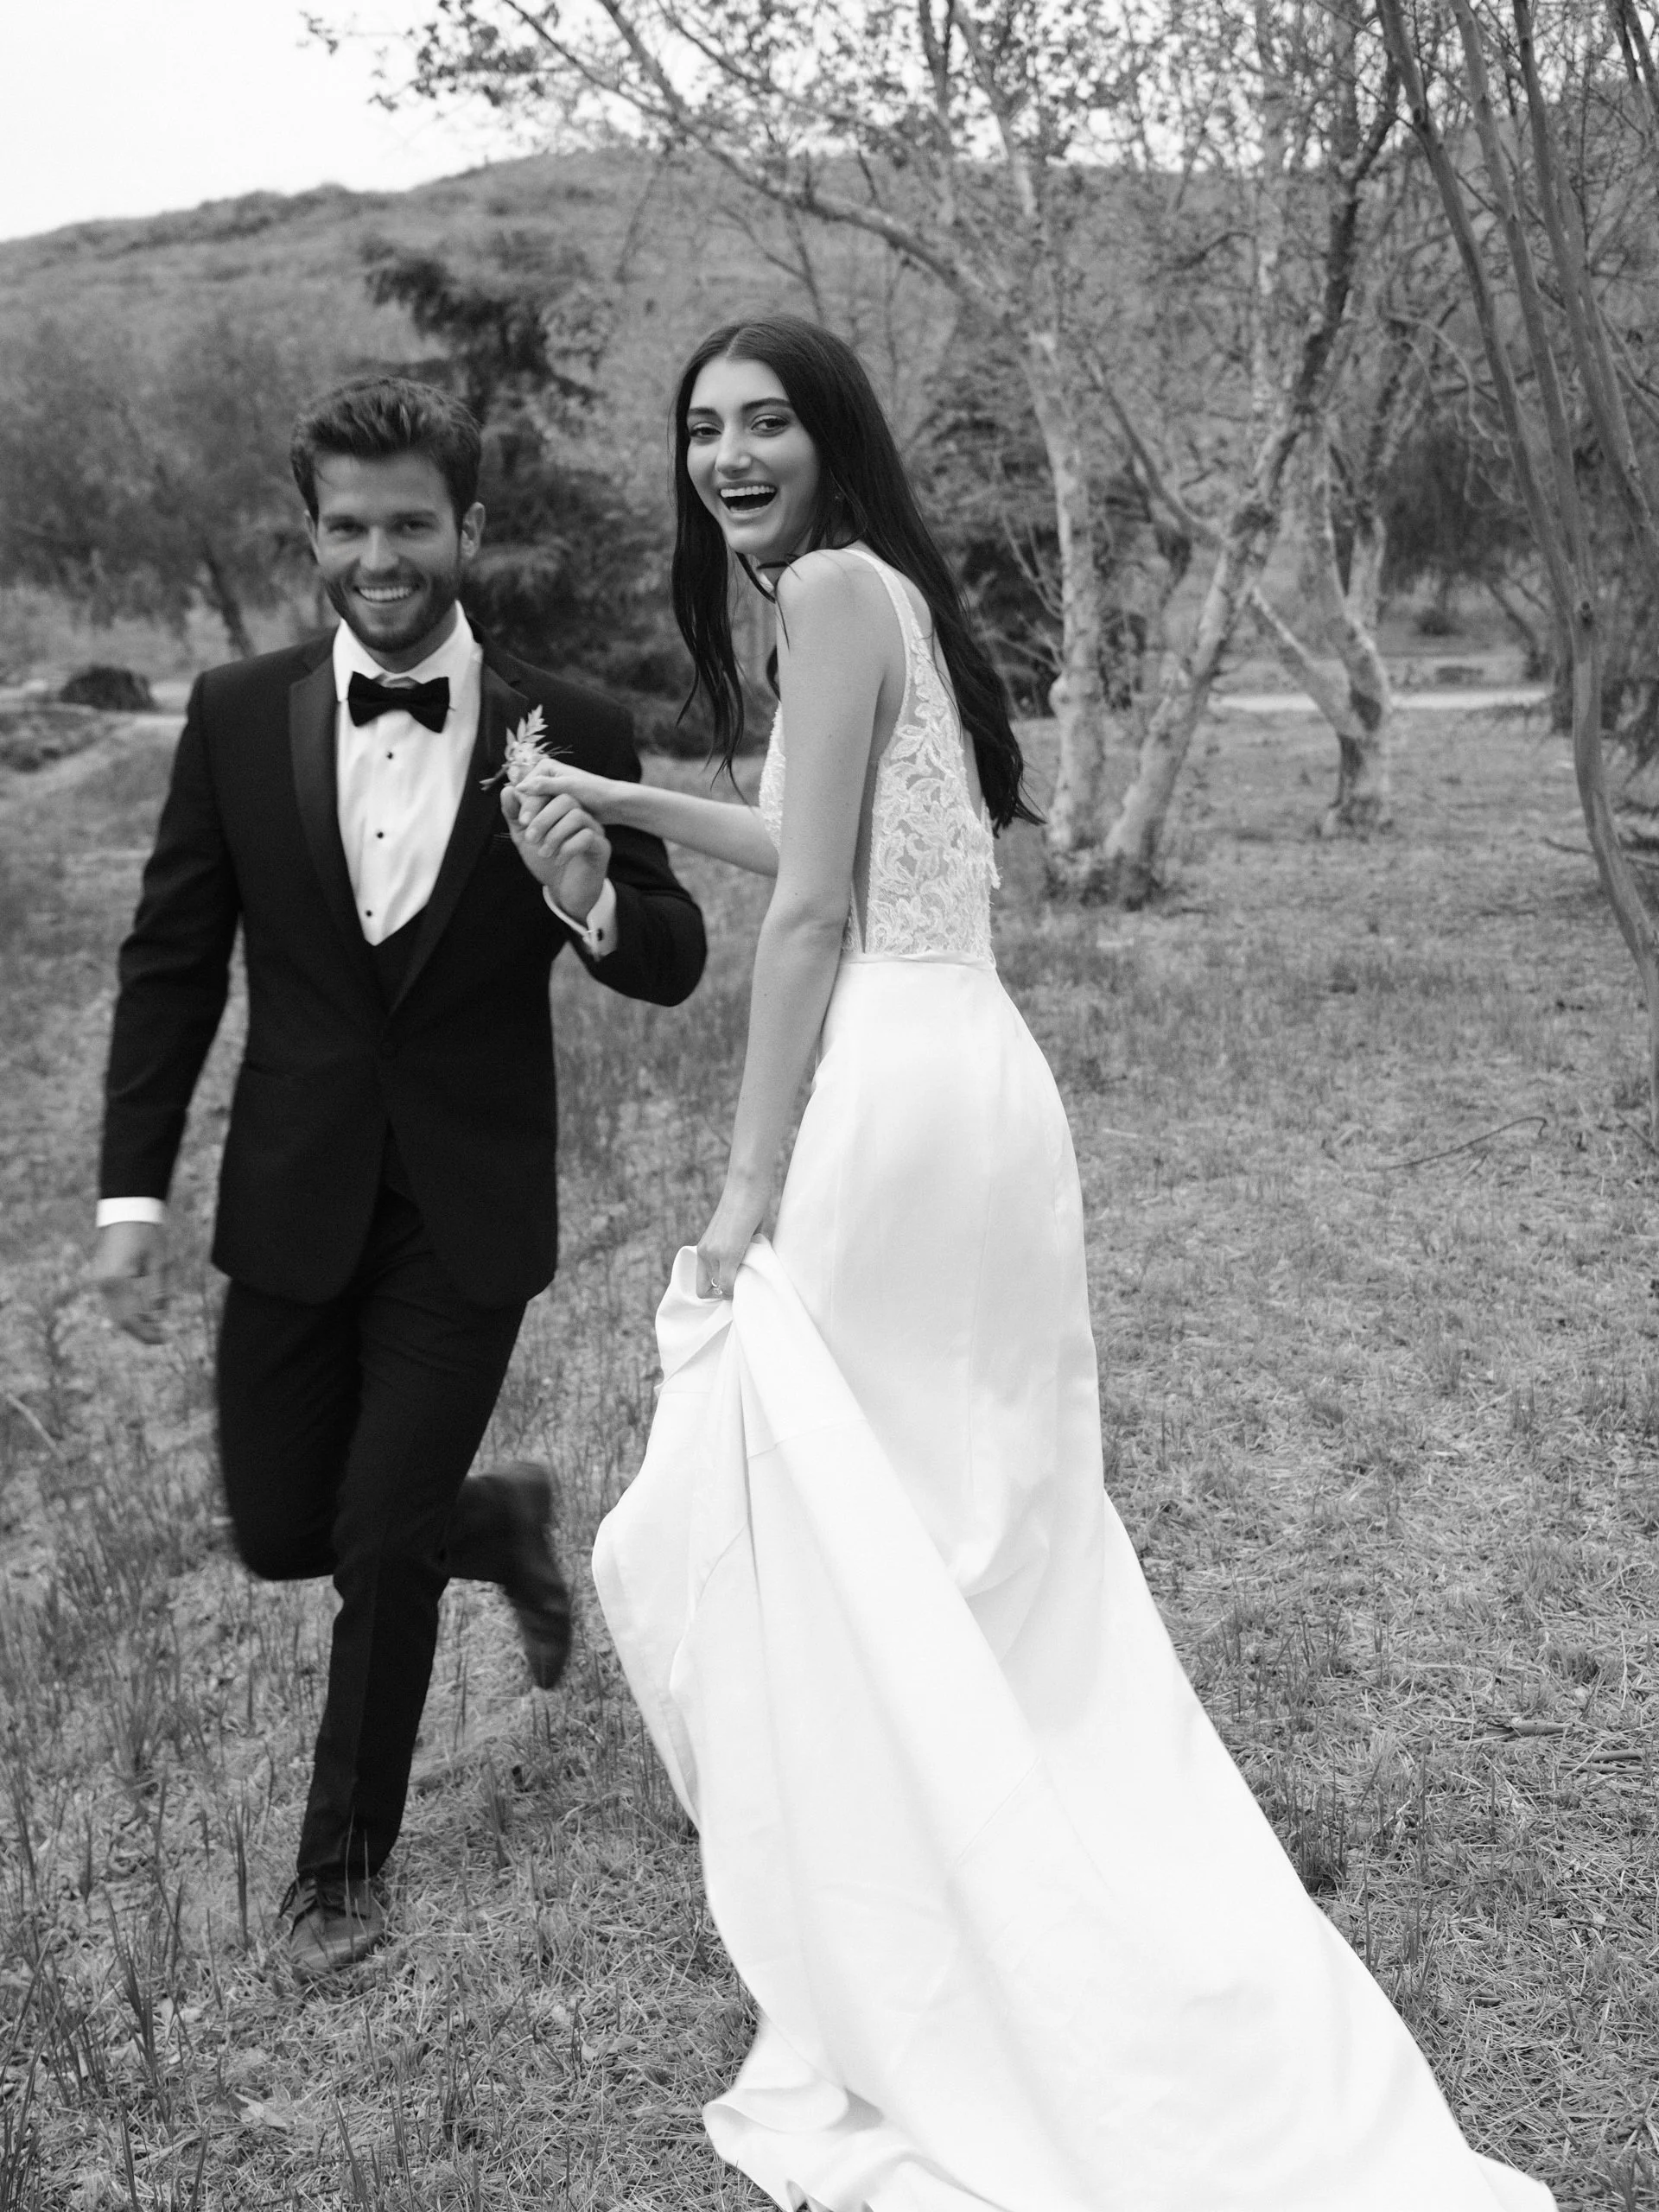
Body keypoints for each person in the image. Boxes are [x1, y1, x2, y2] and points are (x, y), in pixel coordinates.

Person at [512, 315, 1554, 2210]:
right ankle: (1001, 1857)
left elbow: (813, 914)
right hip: (979, 1074)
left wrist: (746, 1184)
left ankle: (960, 1925)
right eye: (704, 429)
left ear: (831, 437)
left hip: (896, 1099)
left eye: (765, 422)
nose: (728, 455)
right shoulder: (881, 592)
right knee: (977, 1524)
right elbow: (819, 842)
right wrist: (636, 805)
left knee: (831, 1499)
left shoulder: (829, 592)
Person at [92, 376, 706, 1982]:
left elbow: (672, 957)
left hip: (466, 1205)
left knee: (375, 1540)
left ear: (467, 528)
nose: (381, 557)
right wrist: (130, 1199)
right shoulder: (237, 714)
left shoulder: (574, 728)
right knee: (281, 1527)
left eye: (412, 524)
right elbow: (173, 963)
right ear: (313, 534)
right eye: (349, 527)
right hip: (292, 1194)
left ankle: (340, 1869)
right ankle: (491, 1522)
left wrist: (588, 895)